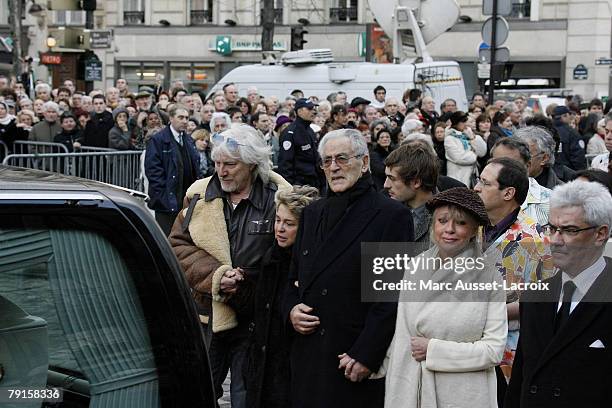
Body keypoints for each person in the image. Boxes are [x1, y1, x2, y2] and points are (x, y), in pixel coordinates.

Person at [284, 129, 414, 408]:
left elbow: (390, 296)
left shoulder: (391, 215)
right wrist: (291, 310)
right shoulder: (311, 213)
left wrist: (367, 353)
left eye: (342, 159)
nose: (333, 167)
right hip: (309, 355)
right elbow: (292, 277)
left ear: (364, 162)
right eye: (327, 161)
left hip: (351, 356)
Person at [169, 125, 291, 408]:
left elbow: (289, 257)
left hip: (255, 319)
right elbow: (177, 245)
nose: (221, 171)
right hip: (206, 317)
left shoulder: (279, 198)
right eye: (217, 163)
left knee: (246, 398)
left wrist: (247, 283)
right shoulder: (199, 195)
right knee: (196, 392)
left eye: (230, 164)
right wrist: (216, 276)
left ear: (251, 164)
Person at [385, 187, 506, 408]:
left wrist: (433, 349)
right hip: (412, 390)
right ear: (433, 225)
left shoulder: (489, 277)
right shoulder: (415, 267)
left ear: (473, 230)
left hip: (463, 395)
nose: (449, 229)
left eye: (460, 223)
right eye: (442, 220)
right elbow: (402, 340)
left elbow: (493, 351)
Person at [506, 180, 612, 408]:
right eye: (552, 228)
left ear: (600, 234)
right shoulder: (536, 296)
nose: (555, 240)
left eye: (570, 230)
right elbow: (521, 381)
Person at [221, 185, 319, 408]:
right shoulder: (272, 255)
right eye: (277, 220)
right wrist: (240, 284)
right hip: (264, 361)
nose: (280, 229)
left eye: (289, 223)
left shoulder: (309, 264)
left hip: (290, 366)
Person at [474, 157, 554, 397]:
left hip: (508, 353)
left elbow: (543, 298)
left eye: (485, 183)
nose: (476, 188)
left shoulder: (535, 239)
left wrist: (492, 310)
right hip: (464, 348)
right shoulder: (468, 226)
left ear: (508, 193)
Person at [145, 104, 201, 235]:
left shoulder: (188, 140)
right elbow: (153, 171)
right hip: (167, 201)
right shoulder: (158, 140)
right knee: (167, 239)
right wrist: (163, 195)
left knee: (184, 239)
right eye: (180, 117)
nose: (185, 121)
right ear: (171, 118)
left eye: (187, 118)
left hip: (186, 200)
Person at [383, 143, 438, 244]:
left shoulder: (445, 220)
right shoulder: (387, 210)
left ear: (416, 182)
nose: (386, 185)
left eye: (392, 178)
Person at [491, 136, 551, 226]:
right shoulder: (480, 199)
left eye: (511, 165)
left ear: (527, 165)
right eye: (497, 163)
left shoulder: (551, 203)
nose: (502, 170)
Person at [278, 98, 324, 190]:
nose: (314, 112)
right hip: (300, 185)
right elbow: (285, 164)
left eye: (314, 109)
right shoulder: (290, 133)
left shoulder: (310, 130)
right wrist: (291, 188)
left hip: (314, 182)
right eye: (310, 109)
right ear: (299, 111)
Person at [444, 111, 486, 187]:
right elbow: (460, 158)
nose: (466, 124)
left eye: (467, 121)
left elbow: (482, 153)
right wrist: (474, 154)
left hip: (473, 177)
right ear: (456, 123)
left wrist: (473, 138)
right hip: (458, 178)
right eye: (463, 121)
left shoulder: (470, 135)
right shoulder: (449, 139)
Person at [553, 105, 587, 171]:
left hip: (552, 174)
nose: (571, 117)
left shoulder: (548, 131)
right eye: (569, 115)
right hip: (569, 174)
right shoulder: (572, 133)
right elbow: (578, 158)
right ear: (564, 116)